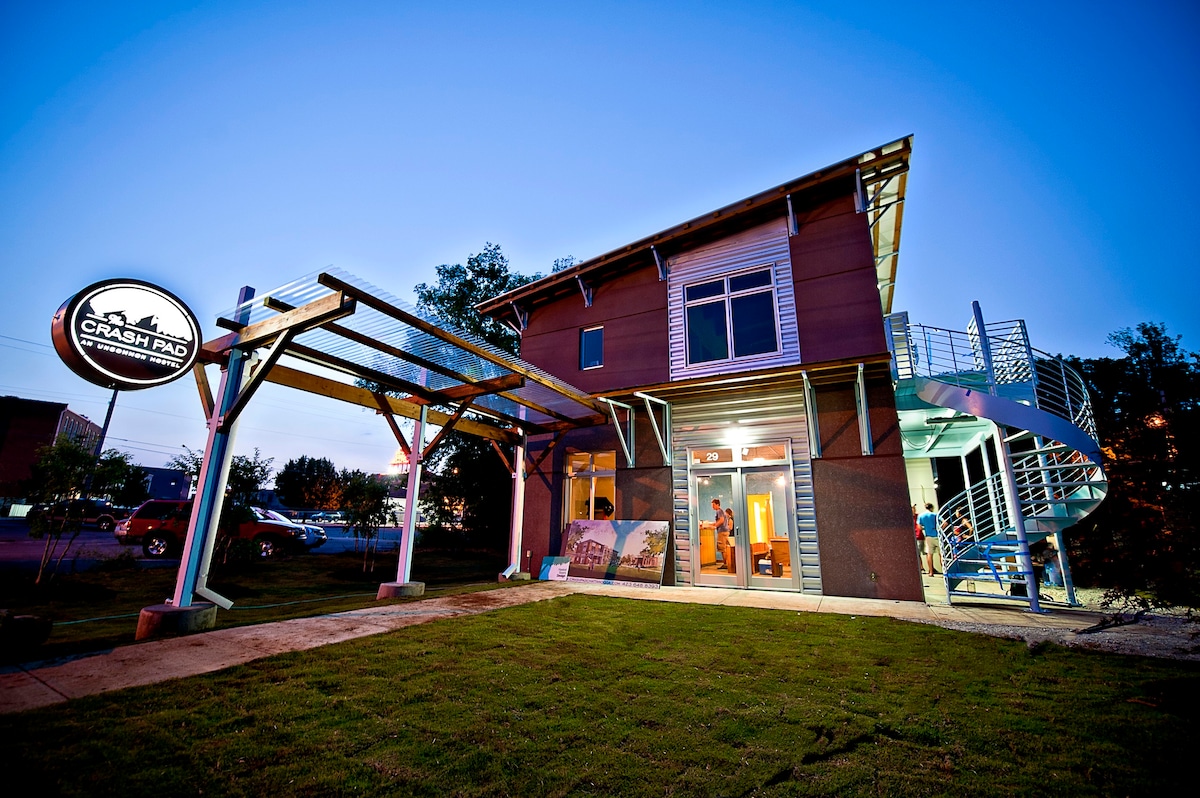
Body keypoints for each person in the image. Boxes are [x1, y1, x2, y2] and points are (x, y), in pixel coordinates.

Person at [712, 498, 734, 573]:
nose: (712, 506)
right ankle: (728, 563)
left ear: (718, 505)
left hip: (722, 532)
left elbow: (721, 520)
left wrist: (715, 526)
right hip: (725, 532)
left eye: (713, 505)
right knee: (725, 547)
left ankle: (726, 564)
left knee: (722, 548)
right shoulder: (721, 511)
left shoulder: (719, 511)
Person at [917, 503, 939, 575]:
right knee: (941, 554)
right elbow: (945, 523)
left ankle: (931, 572)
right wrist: (938, 529)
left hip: (928, 536)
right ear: (932, 508)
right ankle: (945, 570)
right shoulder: (935, 515)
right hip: (937, 535)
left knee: (929, 554)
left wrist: (925, 528)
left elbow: (919, 527)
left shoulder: (921, 516)